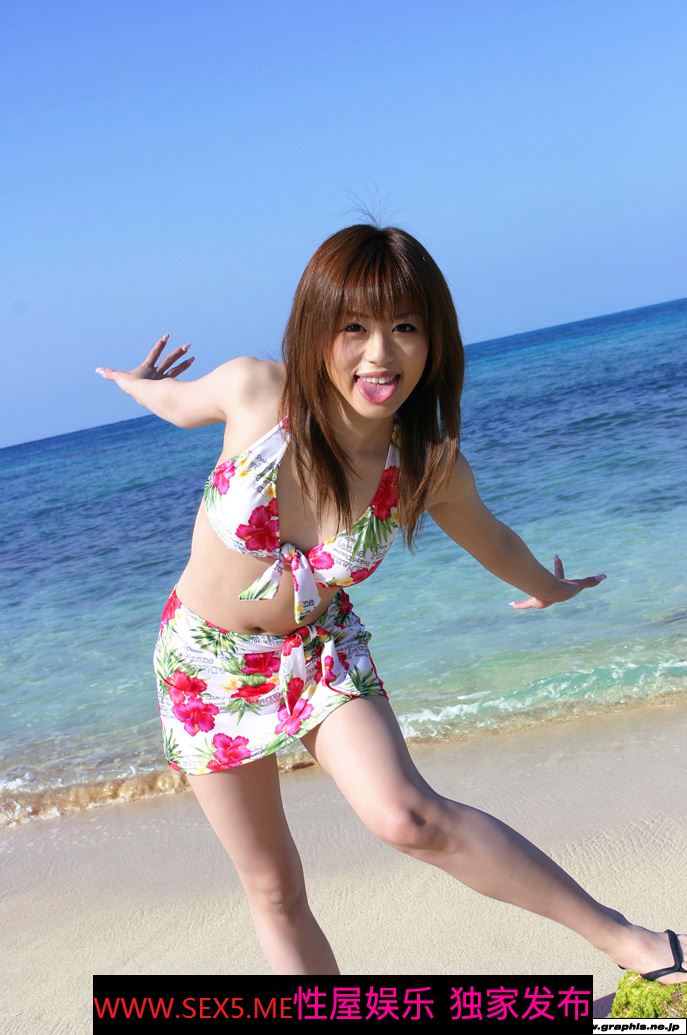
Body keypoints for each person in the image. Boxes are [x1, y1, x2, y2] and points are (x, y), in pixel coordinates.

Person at [95, 223, 686, 981]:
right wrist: (135, 381)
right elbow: (176, 403)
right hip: (203, 667)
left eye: (405, 327)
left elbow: (494, 541)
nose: (379, 354)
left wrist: (550, 587)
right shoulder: (256, 391)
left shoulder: (424, 466)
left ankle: (638, 946)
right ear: (317, 329)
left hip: (317, 651)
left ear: (433, 341)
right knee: (273, 886)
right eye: (355, 328)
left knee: (406, 817)